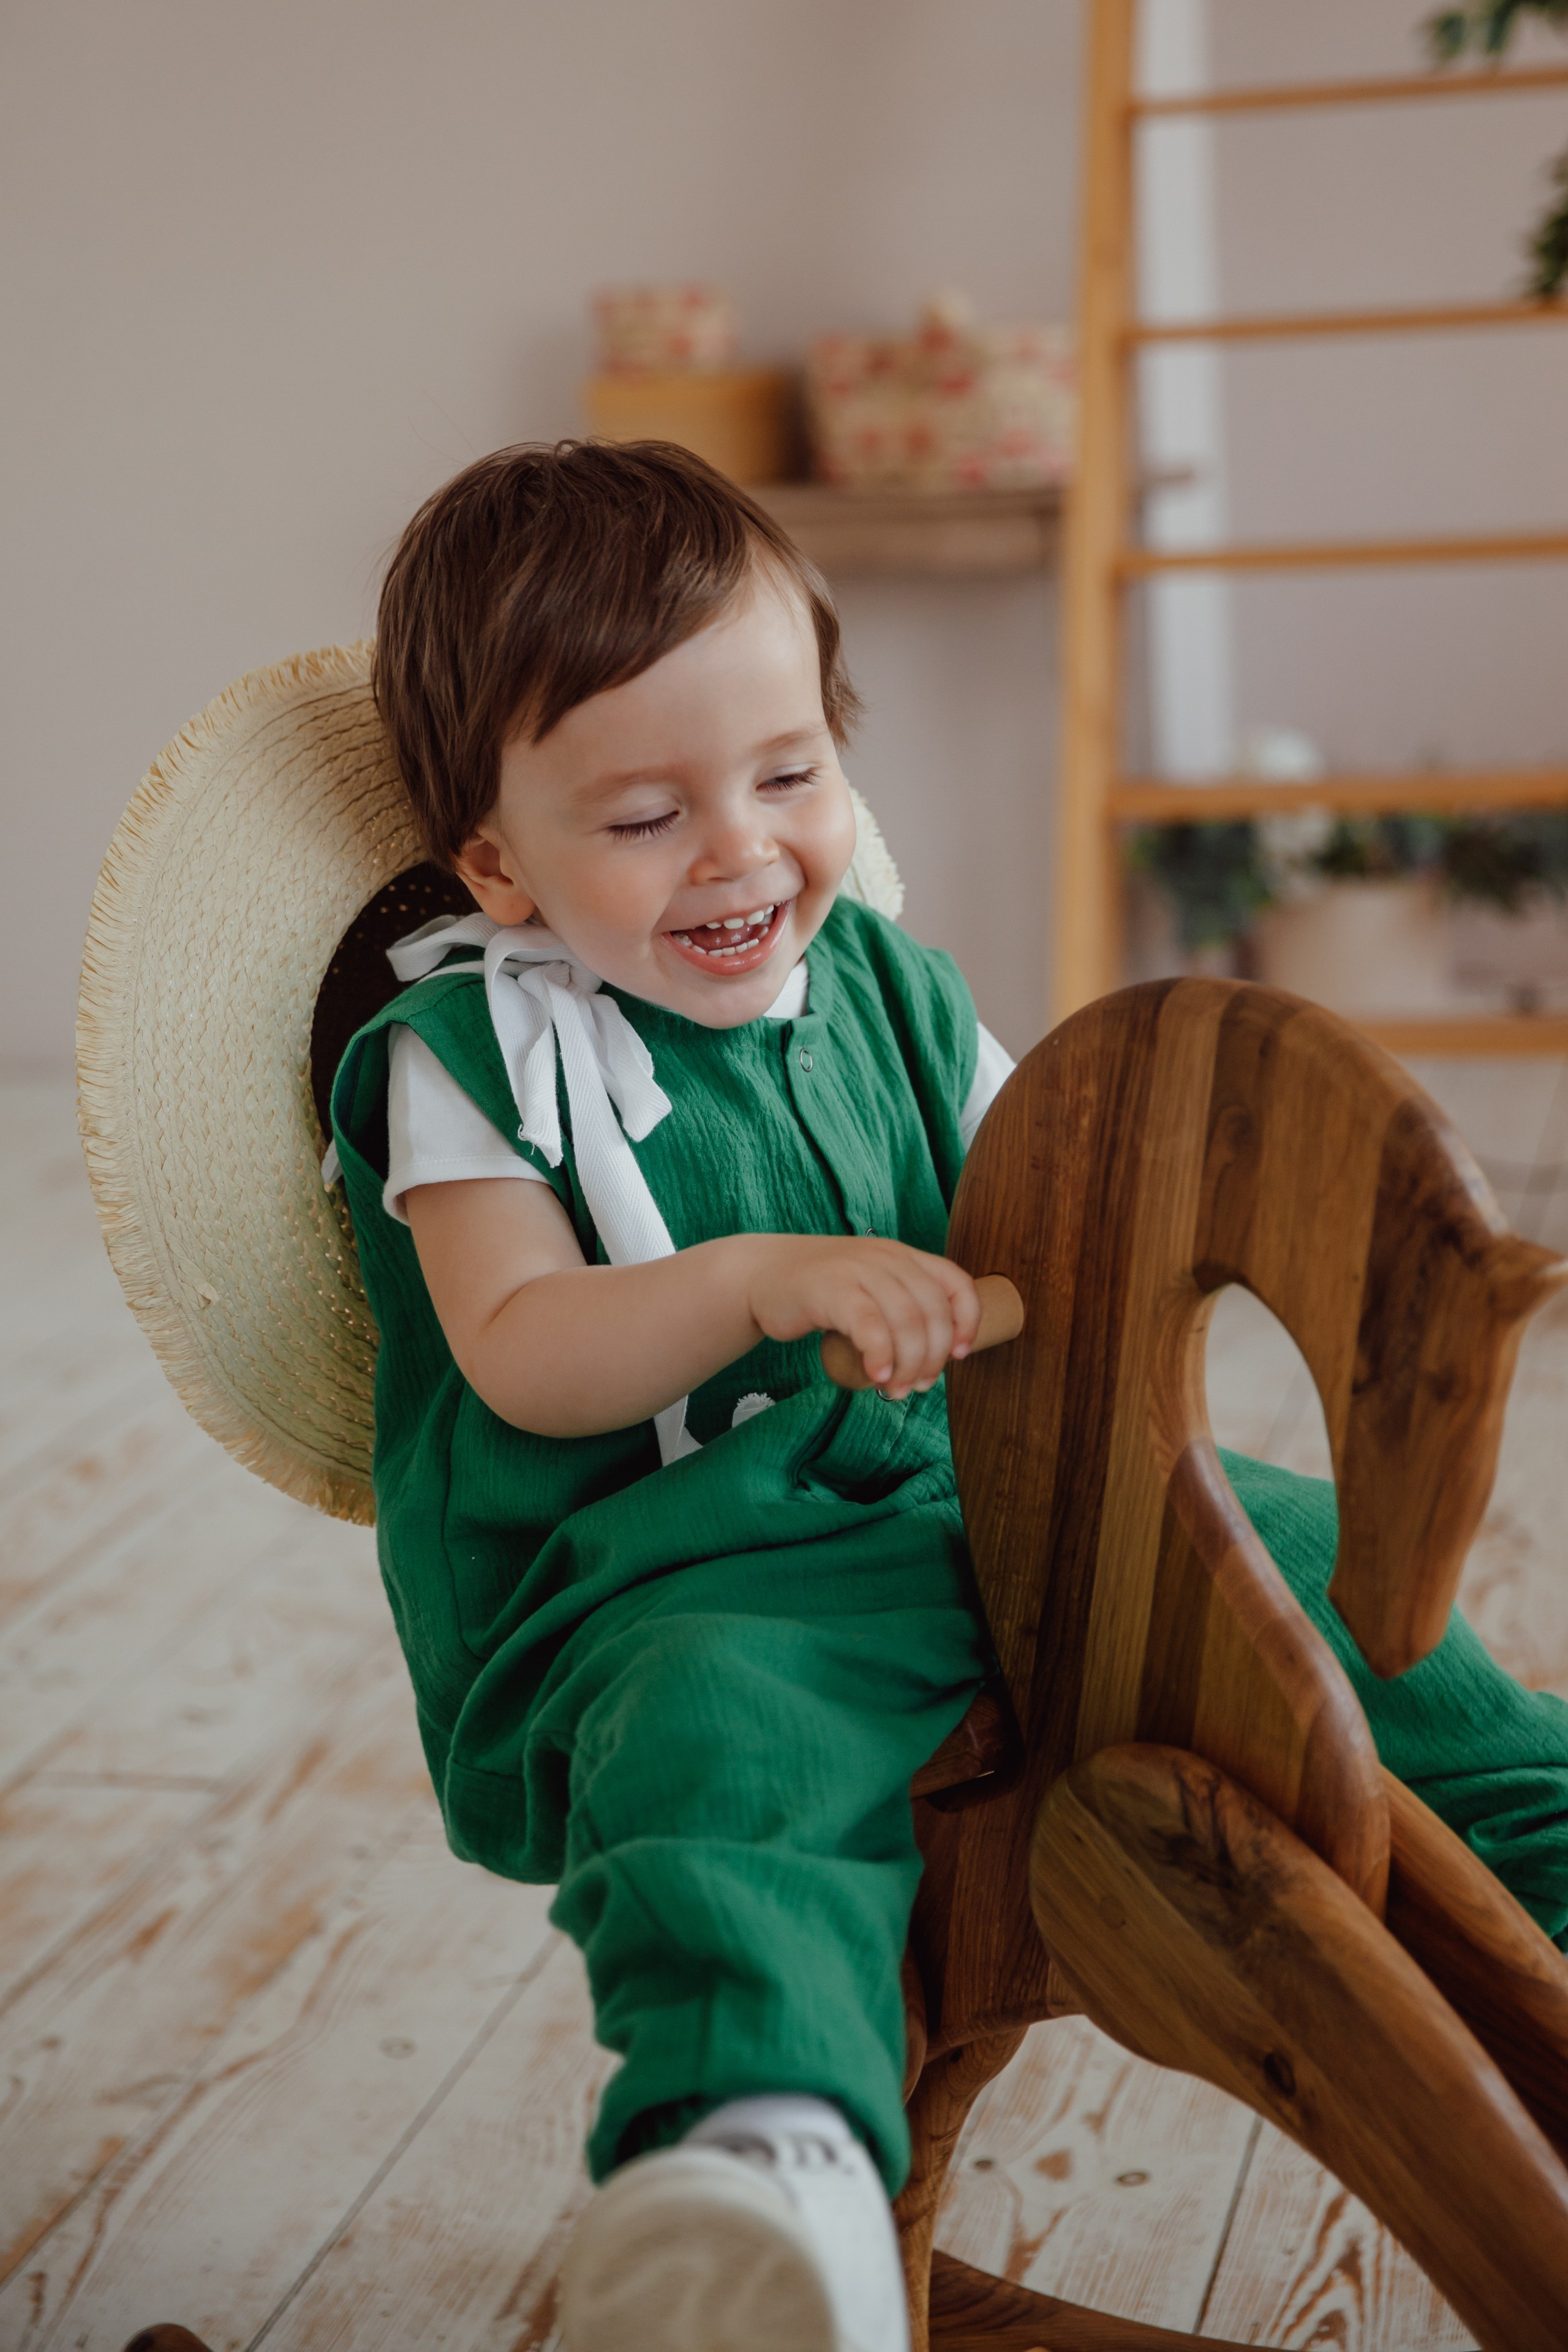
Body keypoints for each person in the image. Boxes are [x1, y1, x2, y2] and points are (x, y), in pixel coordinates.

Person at [328, 439, 1568, 2352]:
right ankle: (767, 2172)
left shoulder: (892, 992)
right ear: (498, 859)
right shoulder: (468, 1055)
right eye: (646, 815)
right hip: (680, 1568)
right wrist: (753, 1284)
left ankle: (1545, 1851)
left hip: (964, 1498)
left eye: (791, 773)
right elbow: (523, 1350)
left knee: (1310, 1563)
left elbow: (1051, 1215)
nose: (742, 850)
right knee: (730, 1746)